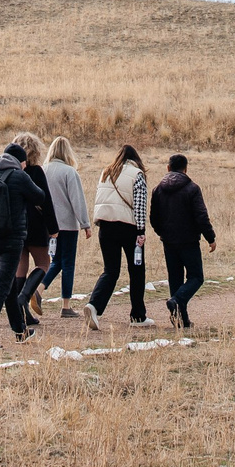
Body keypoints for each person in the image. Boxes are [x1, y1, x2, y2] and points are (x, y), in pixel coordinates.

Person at [0, 137, 52, 349]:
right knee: (1, 287)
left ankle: (20, 331)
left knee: (6, 284)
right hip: (12, 238)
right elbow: (40, 196)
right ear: (19, 160)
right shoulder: (19, 175)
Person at [85, 142, 149, 332]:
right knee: (136, 270)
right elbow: (139, 205)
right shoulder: (137, 175)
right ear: (136, 159)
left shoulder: (106, 173)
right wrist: (141, 231)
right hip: (129, 227)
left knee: (110, 270)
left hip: (106, 226)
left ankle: (94, 305)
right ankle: (137, 315)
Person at [148, 152, 216, 328]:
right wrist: (210, 237)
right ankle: (177, 301)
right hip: (189, 241)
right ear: (185, 169)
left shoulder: (157, 189)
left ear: (168, 168)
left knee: (175, 279)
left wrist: (162, 232)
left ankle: (180, 320)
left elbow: (153, 218)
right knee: (196, 277)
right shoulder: (192, 188)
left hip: (168, 241)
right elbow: (201, 216)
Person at [36, 136, 89, 317]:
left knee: (56, 261)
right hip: (67, 225)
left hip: (49, 226)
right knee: (68, 264)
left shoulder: (43, 170)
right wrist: (85, 223)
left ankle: (39, 290)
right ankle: (66, 305)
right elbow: (77, 200)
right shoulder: (69, 172)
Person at [14, 132, 55, 326]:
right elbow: (46, 201)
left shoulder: (12, 173)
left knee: (20, 269)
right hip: (36, 225)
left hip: (16, 225)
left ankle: (20, 312)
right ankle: (24, 298)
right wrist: (54, 228)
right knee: (43, 264)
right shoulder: (37, 172)